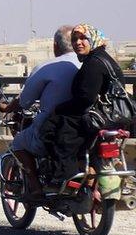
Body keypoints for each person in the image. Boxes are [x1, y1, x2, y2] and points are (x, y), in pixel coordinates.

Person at [0, 25, 79, 197]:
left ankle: (35, 187)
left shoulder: (46, 68)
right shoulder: (87, 63)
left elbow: (25, 100)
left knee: (18, 143)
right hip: (83, 126)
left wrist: (7, 107)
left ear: (55, 45)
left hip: (53, 128)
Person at [42, 24, 124, 185]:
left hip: (99, 118)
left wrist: (59, 109)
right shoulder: (104, 59)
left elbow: (85, 99)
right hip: (114, 116)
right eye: (74, 39)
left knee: (54, 132)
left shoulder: (93, 63)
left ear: (93, 39)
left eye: (83, 38)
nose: (78, 43)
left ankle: (65, 182)